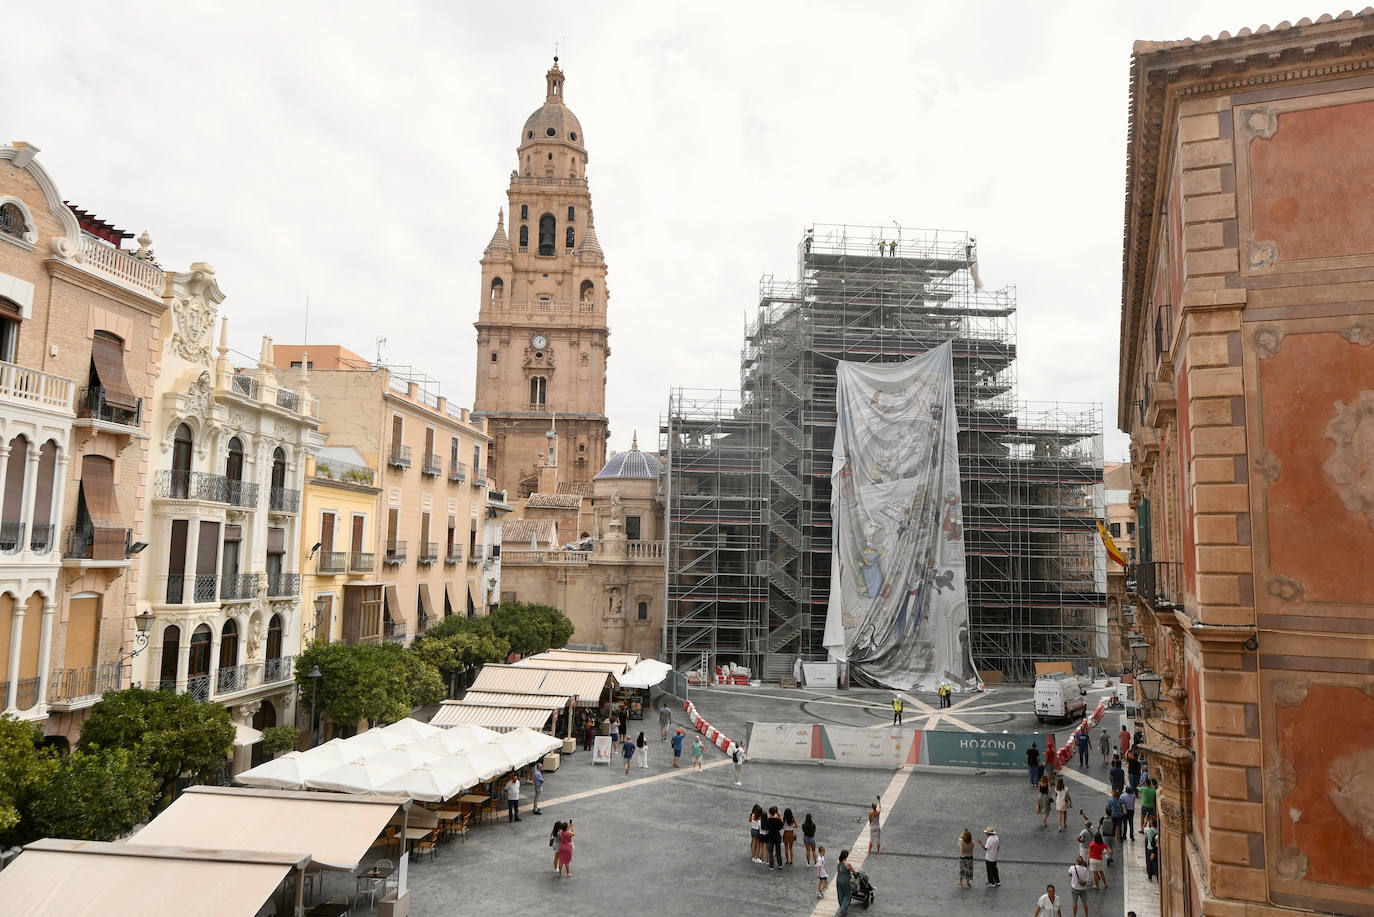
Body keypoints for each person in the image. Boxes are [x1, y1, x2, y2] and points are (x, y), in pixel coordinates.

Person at [764, 805, 784, 870]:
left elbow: (766, 827)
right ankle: (780, 864)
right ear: (775, 813)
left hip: (770, 837)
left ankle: (771, 865)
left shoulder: (768, 820)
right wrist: (780, 816)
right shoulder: (778, 820)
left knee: (770, 852)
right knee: (778, 851)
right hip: (777, 836)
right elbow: (782, 825)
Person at [1143, 813, 1159, 882]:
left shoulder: (1148, 830)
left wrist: (1146, 821)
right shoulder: (1158, 830)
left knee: (1149, 862)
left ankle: (1150, 877)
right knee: (1155, 863)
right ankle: (1156, 874)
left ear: (1152, 824)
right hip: (1157, 849)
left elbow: (1143, 827)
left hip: (1150, 848)